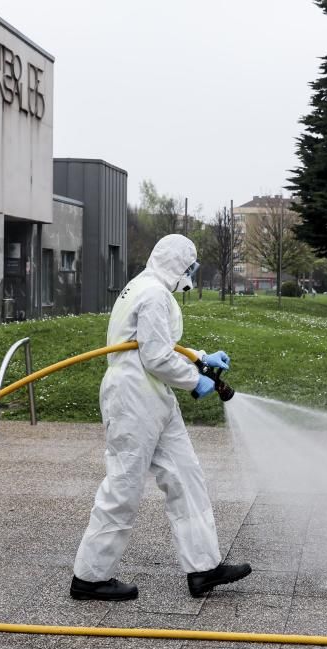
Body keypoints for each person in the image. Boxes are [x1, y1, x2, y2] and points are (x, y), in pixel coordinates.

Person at [70, 234, 252, 602]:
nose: (191, 276)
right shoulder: (153, 294)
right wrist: (194, 380)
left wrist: (200, 357)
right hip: (134, 397)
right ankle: (89, 578)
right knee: (124, 485)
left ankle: (203, 568)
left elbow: (155, 345)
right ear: (178, 265)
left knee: (186, 476)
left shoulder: (145, 287)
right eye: (190, 268)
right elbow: (154, 356)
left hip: (154, 397)